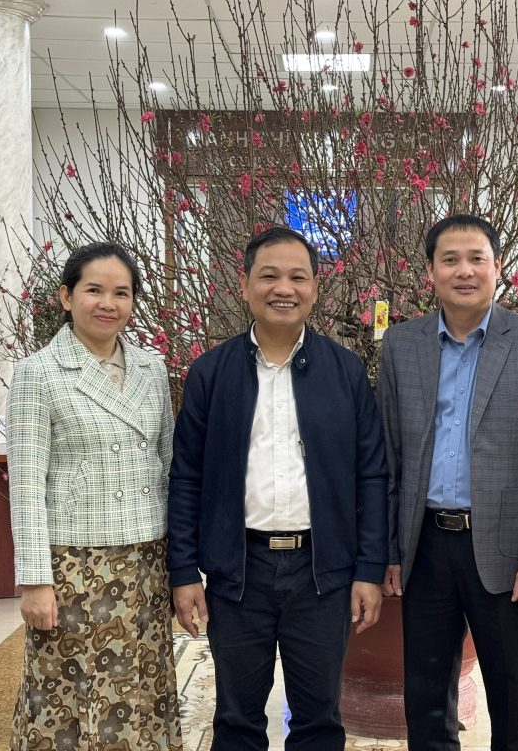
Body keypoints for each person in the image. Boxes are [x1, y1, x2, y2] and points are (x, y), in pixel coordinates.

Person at [167, 226, 388, 751]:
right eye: (269, 276)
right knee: (237, 721)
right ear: (245, 284)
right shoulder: (211, 373)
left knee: (319, 722)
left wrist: (368, 570)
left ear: (315, 288)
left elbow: (372, 476)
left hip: (322, 573)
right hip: (238, 571)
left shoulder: (345, 371)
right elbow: (186, 476)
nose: (283, 288)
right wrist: (184, 570)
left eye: (297, 277)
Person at [377, 213, 518, 750]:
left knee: (513, 697)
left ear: (497, 267)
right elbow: (389, 457)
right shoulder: (401, 346)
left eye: (476, 259)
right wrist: (388, 551)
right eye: (450, 260)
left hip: (507, 554)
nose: (464, 271)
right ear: (430, 272)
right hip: (424, 547)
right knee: (425, 697)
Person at [7, 242, 181, 750]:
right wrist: (34, 581)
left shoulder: (151, 369)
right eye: (94, 290)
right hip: (74, 568)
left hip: (146, 562)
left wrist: (181, 562)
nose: (108, 303)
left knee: (143, 687)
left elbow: (169, 466)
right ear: (66, 297)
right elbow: (26, 485)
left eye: (121, 293)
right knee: (69, 693)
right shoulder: (38, 373)